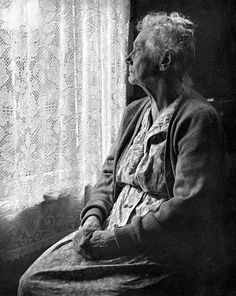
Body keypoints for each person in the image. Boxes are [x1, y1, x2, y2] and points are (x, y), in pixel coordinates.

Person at [18, 12, 228, 296]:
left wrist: (113, 241)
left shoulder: (199, 118)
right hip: (109, 228)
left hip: (154, 250)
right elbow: (108, 175)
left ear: (164, 61)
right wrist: (92, 218)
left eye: (137, 50)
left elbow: (187, 209)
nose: (128, 57)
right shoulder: (133, 112)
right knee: (31, 279)